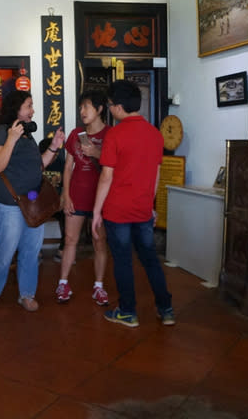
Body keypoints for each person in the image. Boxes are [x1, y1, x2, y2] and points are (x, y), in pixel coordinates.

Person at [92, 80, 175, 328]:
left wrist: (96, 211)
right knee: (150, 259)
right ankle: (166, 308)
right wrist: (150, 205)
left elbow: (106, 176)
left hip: (117, 210)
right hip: (142, 209)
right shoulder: (154, 134)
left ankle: (128, 311)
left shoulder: (115, 134)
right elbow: (156, 175)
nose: (110, 109)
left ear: (118, 106)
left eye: (109, 104)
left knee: (124, 261)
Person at [0, 90, 65, 311]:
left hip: (33, 202)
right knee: (6, 249)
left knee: (31, 250)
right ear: (16, 109)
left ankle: (27, 294)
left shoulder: (28, 136)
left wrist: (54, 146)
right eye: (28, 105)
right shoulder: (2, 133)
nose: (32, 111)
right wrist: (11, 138)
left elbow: (39, 166)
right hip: (9, 202)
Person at [55, 90, 111, 305]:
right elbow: (68, 167)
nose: (82, 111)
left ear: (99, 110)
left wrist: (96, 153)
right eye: (81, 107)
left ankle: (99, 286)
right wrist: (66, 194)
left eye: (86, 106)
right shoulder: (76, 134)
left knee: (99, 242)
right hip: (77, 194)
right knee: (70, 240)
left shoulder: (110, 135)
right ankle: (63, 283)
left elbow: (118, 166)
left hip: (101, 198)